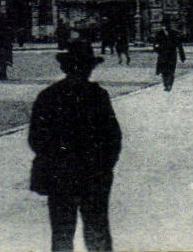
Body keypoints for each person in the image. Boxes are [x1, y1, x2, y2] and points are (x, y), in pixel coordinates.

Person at [29, 39, 122, 252]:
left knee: (62, 234)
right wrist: (104, 166)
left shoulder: (49, 95)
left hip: (60, 176)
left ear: (65, 68)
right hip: (94, 175)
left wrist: (57, 160)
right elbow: (113, 138)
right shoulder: (98, 96)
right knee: (97, 231)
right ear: (89, 68)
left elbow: (36, 139)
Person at [152, 20, 186, 91]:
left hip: (172, 55)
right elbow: (155, 44)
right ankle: (166, 84)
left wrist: (182, 56)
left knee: (171, 70)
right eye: (164, 26)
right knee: (164, 71)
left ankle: (170, 84)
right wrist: (157, 50)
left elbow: (179, 45)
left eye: (167, 25)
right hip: (163, 55)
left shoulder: (174, 33)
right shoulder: (159, 34)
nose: (165, 27)